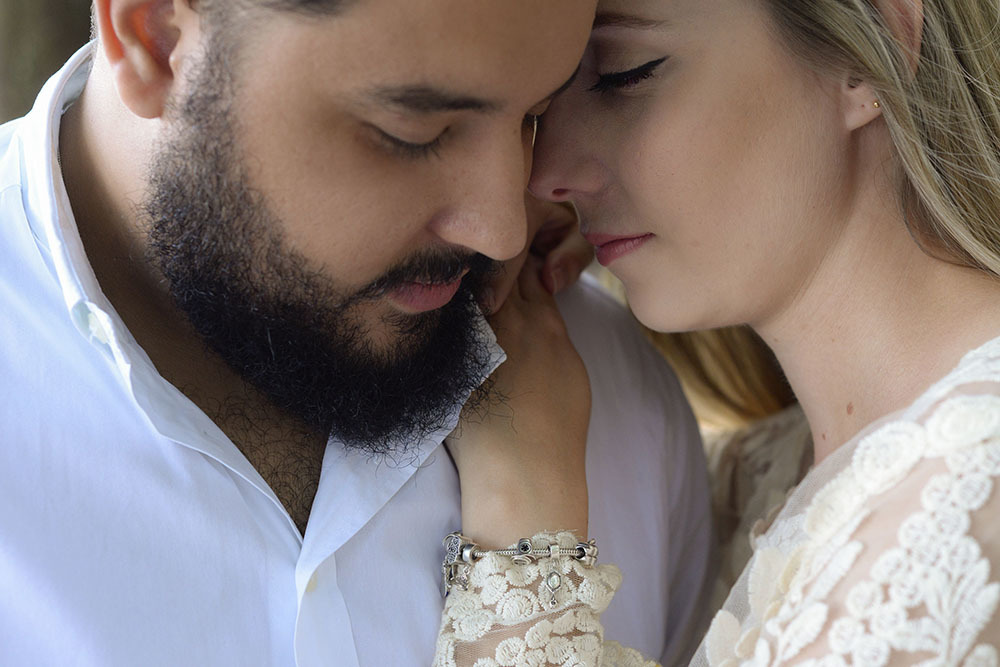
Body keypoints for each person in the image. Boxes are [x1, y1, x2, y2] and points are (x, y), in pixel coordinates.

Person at [0, 1, 715, 665]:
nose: (502, 229)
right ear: (155, 39)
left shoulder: (619, 399)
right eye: (416, 134)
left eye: (534, 116)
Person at [439, 0, 1000, 664]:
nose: (545, 173)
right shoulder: (751, 480)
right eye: (545, 104)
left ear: (867, 46)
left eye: (624, 75)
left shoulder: (967, 492)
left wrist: (526, 543)